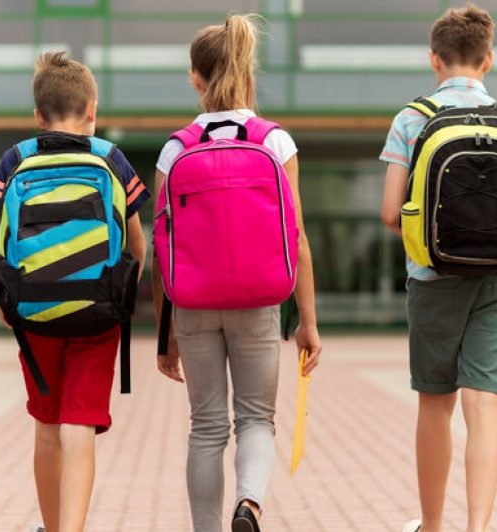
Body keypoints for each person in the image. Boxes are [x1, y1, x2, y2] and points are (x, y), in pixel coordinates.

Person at [378, 5, 497, 532]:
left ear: (434, 59)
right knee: (484, 404)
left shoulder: (412, 118)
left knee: (436, 403)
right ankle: (478, 526)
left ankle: (432, 527)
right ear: (488, 60)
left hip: (432, 280)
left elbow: (390, 212)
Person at [150, 13, 322, 532]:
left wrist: (165, 333)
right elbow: (297, 238)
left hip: (194, 306)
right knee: (256, 418)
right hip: (260, 302)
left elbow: (163, 249)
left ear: (195, 78)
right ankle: (248, 504)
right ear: (248, 71)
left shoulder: (176, 148)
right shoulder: (275, 143)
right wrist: (307, 321)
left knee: (206, 428)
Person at [0, 51, 149, 532]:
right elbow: (137, 241)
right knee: (80, 424)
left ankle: (51, 529)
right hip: (99, 311)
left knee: (47, 425)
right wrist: (124, 293)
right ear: (92, 109)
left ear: (37, 115)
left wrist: (4, 293)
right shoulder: (110, 157)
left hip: (34, 310)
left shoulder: (17, 158)